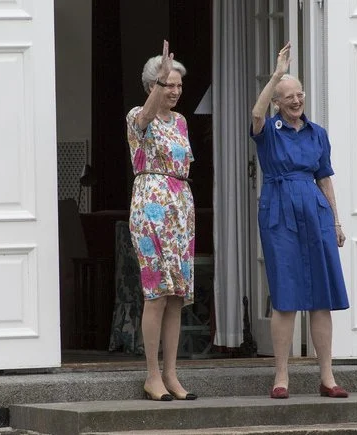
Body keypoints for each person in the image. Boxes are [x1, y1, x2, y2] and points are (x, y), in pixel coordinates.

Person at [250, 41, 350, 399]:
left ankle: (328, 377)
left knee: (321, 296)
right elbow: (256, 114)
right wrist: (277, 73)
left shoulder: (318, 133)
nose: (296, 100)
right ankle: (281, 376)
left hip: (314, 210)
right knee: (285, 296)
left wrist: (336, 222)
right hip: (279, 211)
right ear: (278, 101)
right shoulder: (268, 130)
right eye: (288, 96)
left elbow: (324, 178)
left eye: (299, 94)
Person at [126, 40, 197, 402]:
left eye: (179, 86)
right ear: (153, 86)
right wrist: (159, 80)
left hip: (180, 208)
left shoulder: (182, 122)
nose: (175, 91)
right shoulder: (139, 115)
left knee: (176, 295)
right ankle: (151, 375)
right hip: (152, 206)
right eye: (169, 84)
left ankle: (171, 373)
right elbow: (144, 120)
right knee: (156, 292)